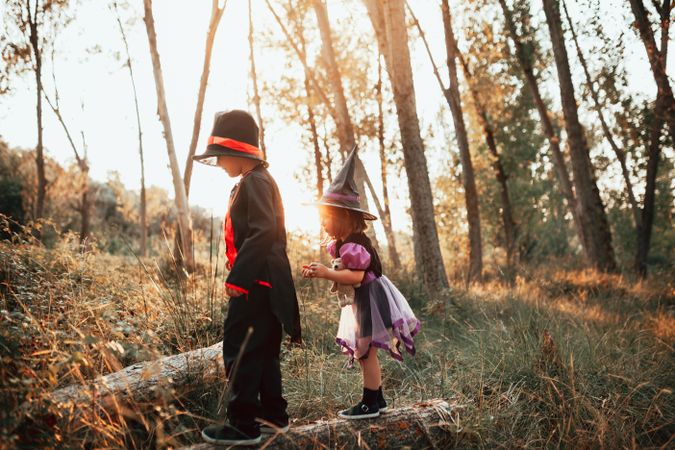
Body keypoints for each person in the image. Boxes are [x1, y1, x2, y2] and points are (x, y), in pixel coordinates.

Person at [193, 110, 301, 445]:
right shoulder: (258, 181)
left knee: (240, 348)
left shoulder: (255, 182)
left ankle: (243, 424)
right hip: (267, 282)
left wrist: (238, 278)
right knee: (265, 350)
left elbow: (263, 231)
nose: (221, 165)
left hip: (256, 284)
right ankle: (272, 416)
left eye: (221, 158)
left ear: (238, 153)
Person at [302, 146, 420, 419]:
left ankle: (369, 403)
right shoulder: (345, 244)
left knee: (366, 351)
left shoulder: (355, 244)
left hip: (371, 298)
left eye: (326, 219)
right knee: (365, 349)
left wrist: (326, 273)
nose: (323, 225)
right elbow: (347, 271)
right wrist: (322, 269)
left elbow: (355, 277)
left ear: (343, 217)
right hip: (365, 299)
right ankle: (378, 399)